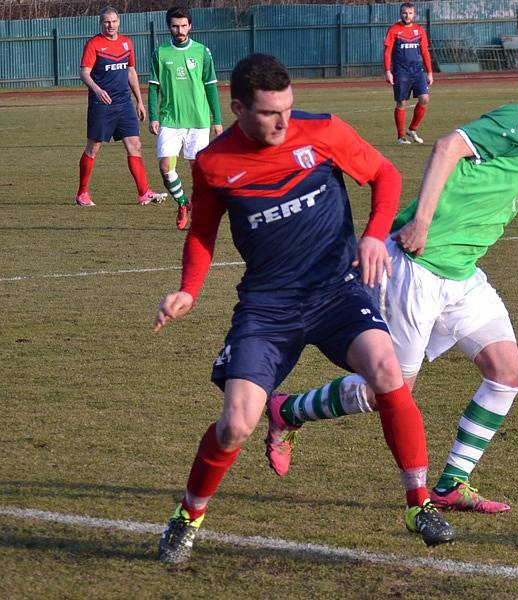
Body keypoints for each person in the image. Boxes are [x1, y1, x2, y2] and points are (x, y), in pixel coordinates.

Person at [153, 53, 456, 564]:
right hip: (268, 309)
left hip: (336, 291)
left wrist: (375, 237)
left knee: (388, 371)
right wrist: (189, 290)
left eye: (288, 109)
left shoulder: (324, 132)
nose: (283, 121)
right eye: (271, 113)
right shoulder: (214, 163)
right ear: (238, 108)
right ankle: (188, 516)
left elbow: (385, 176)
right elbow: (203, 231)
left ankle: (418, 502)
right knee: (236, 425)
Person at [264, 60, 518, 514]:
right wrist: (421, 221)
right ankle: (288, 412)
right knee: (390, 392)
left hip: (460, 274)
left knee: (507, 372)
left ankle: (450, 486)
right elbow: (447, 147)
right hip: (416, 268)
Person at [76, 6, 166, 207]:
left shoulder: (127, 43)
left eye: (114, 21)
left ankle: (144, 193)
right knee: (93, 148)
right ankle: (82, 193)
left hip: (124, 103)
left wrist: (140, 101)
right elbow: (84, 73)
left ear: (119, 22)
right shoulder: (94, 44)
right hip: (102, 104)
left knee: (135, 145)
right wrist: (97, 90)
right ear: (101, 23)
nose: (111, 25)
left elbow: (131, 72)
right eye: (107, 22)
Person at [148, 6, 223, 231]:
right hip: (170, 119)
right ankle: (182, 203)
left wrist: (217, 120)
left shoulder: (202, 52)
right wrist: (153, 116)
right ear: (169, 27)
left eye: (183, 25)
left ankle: (201, 209)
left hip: (198, 120)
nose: (179, 30)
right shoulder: (160, 53)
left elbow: (211, 87)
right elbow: (153, 87)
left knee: (197, 170)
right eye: (175, 26)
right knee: (165, 167)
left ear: (190, 26)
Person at [383, 2, 433, 145]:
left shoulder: (419, 30)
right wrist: (388, 71)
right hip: (401, 72)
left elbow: (425, 52)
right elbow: (387, 52)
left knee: (424, 99)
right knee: (401, 103)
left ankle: (412, 129)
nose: (407, 15)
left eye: (410, 13)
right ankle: (401, 137)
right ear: (400, 13)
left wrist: (430, 72)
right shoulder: (394, 30)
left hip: (418, 71)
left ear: (414, 14)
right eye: (405, 13)